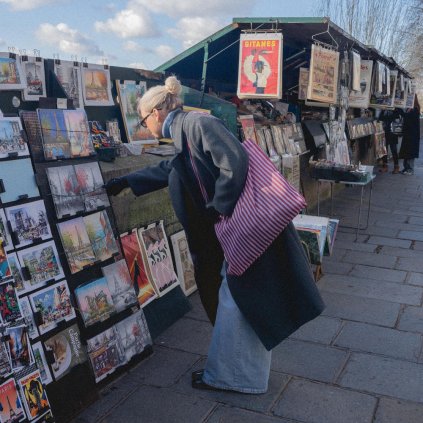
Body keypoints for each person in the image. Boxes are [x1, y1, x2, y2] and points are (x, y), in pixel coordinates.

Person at [105, 76, 324, 394]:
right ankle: (237, 375)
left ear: (156, 113)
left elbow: (233, 162)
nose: (144, 126)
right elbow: (174, 169)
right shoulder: (185, 129)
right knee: (240, 298)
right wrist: (127, 181)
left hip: (242, 227)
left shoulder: (195, 125)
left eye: (142, 120)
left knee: (238, 299)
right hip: (241, 228)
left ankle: (235, 378)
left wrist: (217, 208)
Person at [399, 95, 421, 175]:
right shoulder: (410, 109)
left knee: (410, 153)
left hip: (412, 135)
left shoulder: (415, 109)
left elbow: (408, 118)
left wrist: (401, 112)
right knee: (406, 152)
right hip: (408, 134)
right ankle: (406, 168)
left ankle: (410, 169)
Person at [379, 108, 403, 174]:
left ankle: (396, 167)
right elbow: (380, 117)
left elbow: (395, 116)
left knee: (394, 150)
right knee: (384, 149)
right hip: (385, 131)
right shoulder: (384, 109)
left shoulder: (396, 109)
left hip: (393, 132)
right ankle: (385, 166)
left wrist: (386, 117)